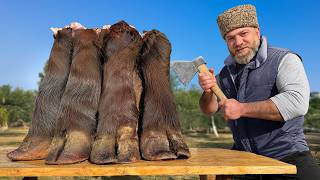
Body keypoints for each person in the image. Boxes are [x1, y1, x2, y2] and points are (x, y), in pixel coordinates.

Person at [198, 4, 320, 180]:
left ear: (257, 31)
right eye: (230, 38)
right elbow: (208, 109)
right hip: (244, 160)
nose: (238, 42)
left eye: (243, 34)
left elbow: (297, 103)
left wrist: (241, 109)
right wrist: (208, 91)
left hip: (287, 157)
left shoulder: (284, 59)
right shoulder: (224, 74)